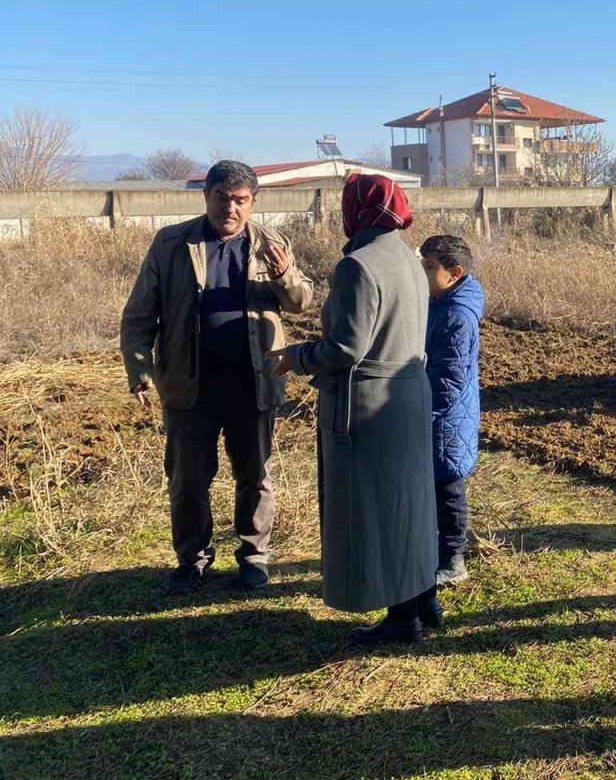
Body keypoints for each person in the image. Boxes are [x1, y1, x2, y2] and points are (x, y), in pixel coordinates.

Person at [121, 160, 314, 594]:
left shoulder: (272, 243)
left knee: (254, 476)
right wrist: (139, 369)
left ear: (253, 202)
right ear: (206, 196)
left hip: (253, 381)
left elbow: (301, 301)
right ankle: (192, 559)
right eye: (222, 197)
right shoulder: (171, 244)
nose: (230, 207)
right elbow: (138, 315)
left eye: (240, 200)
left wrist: (283, 274)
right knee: (188, 480)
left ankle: (253, 557)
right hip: (189, 385)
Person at [269, 174, 442, 645]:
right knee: (410, 503)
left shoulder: (358, 266)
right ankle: (424, 599)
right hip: (408, 395)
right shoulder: (409, 259)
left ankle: (401, 617)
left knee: (374, 510)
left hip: (366, 407)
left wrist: (295, 357)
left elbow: (346, 347)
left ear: (355, 211)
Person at [418, 234, 486, 587]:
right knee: (436, 486)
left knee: (448, 488)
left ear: (454, 273)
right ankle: (438, 552)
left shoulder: (456, 316)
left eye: (429, 267)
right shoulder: (439, 301)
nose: (422, 272)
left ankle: (453, 558)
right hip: (438, 414)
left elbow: (448, 378)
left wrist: (426, 413)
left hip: (444, 418)